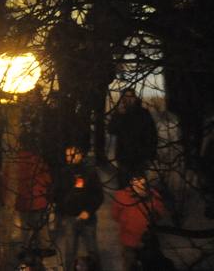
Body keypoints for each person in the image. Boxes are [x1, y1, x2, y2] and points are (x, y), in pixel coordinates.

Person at [53, 143, 103, 271]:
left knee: (92, 249)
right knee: (70, 250)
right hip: (70, 217)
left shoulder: (90, 172)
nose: (69, 158)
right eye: (67, 155)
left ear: (80, 155)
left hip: (88, 218)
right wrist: (64, 210)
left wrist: (88, 211)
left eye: (72, 155)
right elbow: (56, 195)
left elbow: (98, 195)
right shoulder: (63, 173)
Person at [111, 174, 166, 271]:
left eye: (140, 180)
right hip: (130, 238)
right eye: (136, 181)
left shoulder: (153, 195)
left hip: (146, 239)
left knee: (146, 264)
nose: (139, 184)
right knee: (130, 263)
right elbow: (115, 215)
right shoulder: (122, 195)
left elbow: (160, 213)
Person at [110, 87, 159, 187]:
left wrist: (151, 155)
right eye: (125, 97)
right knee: (124, 186)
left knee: (139, 187)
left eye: (130, 97)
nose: (128, 99)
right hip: (123, 157)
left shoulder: (143, 113)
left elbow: (152, 134)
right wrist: (118, 115)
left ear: (135, 98)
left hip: (140, 157)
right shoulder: (120, 113)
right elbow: (111, 130)